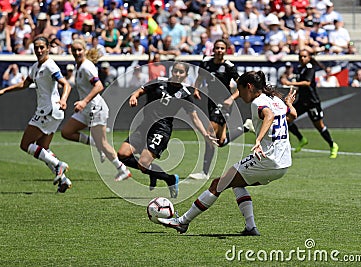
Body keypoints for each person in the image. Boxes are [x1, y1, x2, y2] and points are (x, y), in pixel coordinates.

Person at [158, 71, 297, 235]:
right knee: (236, 182)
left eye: (240, 89)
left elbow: (269, 115)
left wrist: (258, 140)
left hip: (267, 159)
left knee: (218, 184)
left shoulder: (258, 102)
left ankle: (182, 222)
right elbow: (292, 115)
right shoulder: (277, 100)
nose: (239, 95)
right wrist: (288, 103)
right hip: (284, 163)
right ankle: (250, 227)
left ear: (249, 87)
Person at [117, 61, 218, 198]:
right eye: (175, 71)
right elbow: (141, 90)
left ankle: (169, 179)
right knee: (122, 154)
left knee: (143, 164)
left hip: (161, 130)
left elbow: (194, 118)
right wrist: (134, 96)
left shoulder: (185, 93)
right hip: (144, 126)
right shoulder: (158, 81)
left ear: (186, 75)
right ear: (171, 71)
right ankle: (157, 173)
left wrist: (205, 134)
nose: (177, 74)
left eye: (181, 72)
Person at [0, 35, 73, 192]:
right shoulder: (36, 67)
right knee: (43, 148)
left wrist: (64, 99)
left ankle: (58, 165)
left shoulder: (50, 66)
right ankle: (63, 180)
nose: (39, 50)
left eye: (42, 47)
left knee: (25, 144)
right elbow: (24, 84)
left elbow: (66, 84)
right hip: (53, 112)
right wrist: (3, 91)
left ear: (48, 48)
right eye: (36, 47)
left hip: (48, 110)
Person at [60, 39, 131, 181]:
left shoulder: (86, 66)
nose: (77, 52)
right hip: (86, 109)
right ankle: (94, 142)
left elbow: (99, 86)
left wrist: (84, 101)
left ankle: (123, 169)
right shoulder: (79, 66)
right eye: (74, 50)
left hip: (96, 109)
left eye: (79, 50)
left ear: (84, 50)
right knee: (66, 132)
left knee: (104, 143)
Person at [189, 39, 245, 180]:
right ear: (213, 49)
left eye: (222, 48)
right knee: (220, 142)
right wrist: (196, 89)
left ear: (226, 50)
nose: (219, 50)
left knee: (209, 134)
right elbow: (200, 77)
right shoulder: (206, 63)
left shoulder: (229, 66)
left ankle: (204, 172)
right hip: (211, 102)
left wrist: (232, 98)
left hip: (224, 103)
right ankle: (243, 129)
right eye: (217, 48)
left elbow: (242, 87)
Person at [281, 49, 339, 158]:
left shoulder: (310, 68)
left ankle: (332, 145)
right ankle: (301, 139)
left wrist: (289, 83)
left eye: (304, 56)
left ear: (309, 58)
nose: (302, 58)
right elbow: (300, 86)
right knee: (286, 119)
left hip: (312, 102)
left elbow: (307, 83)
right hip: (302, 101)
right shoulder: (300, 69)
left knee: (319, 126)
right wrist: (293, 93)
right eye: (300, 57)